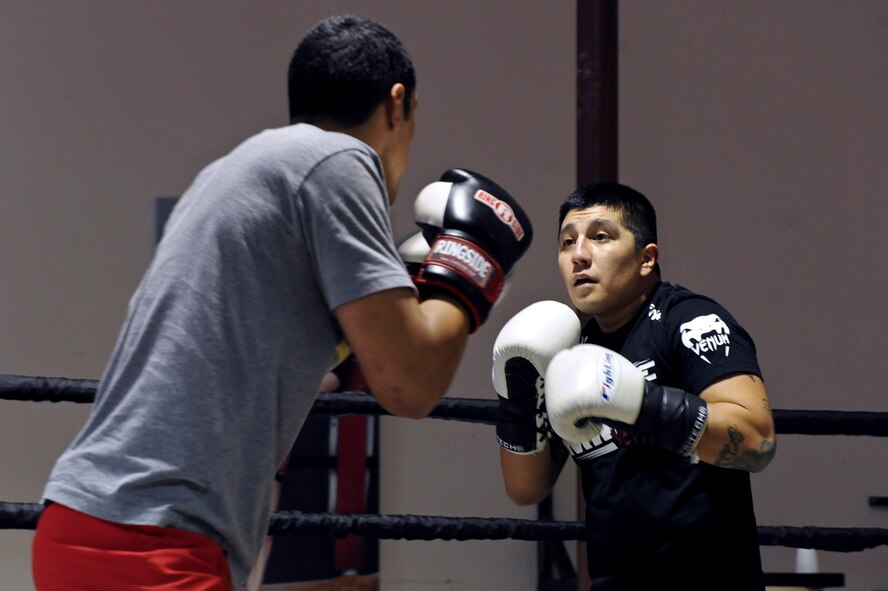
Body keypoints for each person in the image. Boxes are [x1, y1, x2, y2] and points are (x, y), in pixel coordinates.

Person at [32, 14, 533, 591]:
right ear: (398, 105)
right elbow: (409, 384)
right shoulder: (341, 164)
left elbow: (291, 346)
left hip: (90, 523)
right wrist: (470, 267)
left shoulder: (240, 171)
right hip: (151, 542)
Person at [492, 181, 775, 590]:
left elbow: (757, 443)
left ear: (647, 259)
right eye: (567, 242)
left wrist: (642, 405)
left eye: (600, 237)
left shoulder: (688, 321)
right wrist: (518, 394)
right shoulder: (573, 353)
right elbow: (524, 488)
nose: (579, 255)